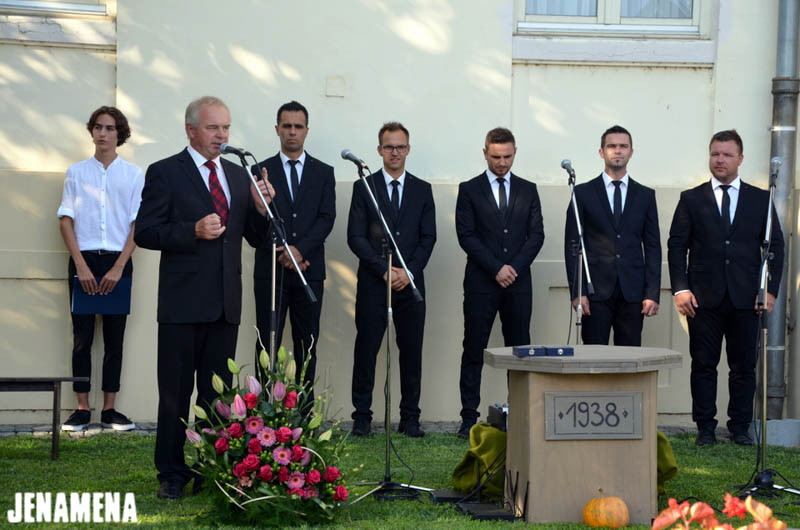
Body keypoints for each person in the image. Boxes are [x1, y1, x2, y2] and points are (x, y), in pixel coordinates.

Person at [134, 96, 274, 499]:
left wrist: (262, 209)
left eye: (226, 127)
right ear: (191, 129)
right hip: (181, 305)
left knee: (217, 397)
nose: (222, 135)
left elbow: (254, 238)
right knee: (175, 395)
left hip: (225, 303)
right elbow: (145, 232)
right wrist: (191, 230)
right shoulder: (165, 172)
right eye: (213, 128)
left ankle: (213, 467)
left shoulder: (237, 175)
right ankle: (172, 473)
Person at [667, 129, 784, 446]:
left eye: (727, 155)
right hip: (702, 298)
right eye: (715, 154)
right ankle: (705, 428)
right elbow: (676, 246)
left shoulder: (760, 199)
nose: (720, 160)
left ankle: (740, 428)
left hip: (747, 297)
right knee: (703, 364)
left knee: (744, 366)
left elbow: (775, 246)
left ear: (740, 159)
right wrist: (680, 289)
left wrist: (769, 290)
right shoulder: (691, 199)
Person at [347, 122, 436, 438]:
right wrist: (383, 270)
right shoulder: (364, 187)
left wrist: (407, 272)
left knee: (411, 351)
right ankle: (362, 416)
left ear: (408, 149)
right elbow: (356, 237)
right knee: (366, 349)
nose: (394, 152)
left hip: (410, 285)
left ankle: (410, 417)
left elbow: (428, 237)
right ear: (379, 150)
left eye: (400, 147)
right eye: (389, 147)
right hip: (375, 283)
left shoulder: (422, 190)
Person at [57, 106, 143, 432]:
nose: (103, 133)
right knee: (82, 338)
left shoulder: (133, 174)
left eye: (109, 128)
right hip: (84, 259)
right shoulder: (76, 172)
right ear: (91, 131)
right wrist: (80, 263)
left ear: (120, 134)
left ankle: (109, 409)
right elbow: (66, 220)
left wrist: (119, 266)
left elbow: (137, 224)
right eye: (98, 127)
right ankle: (82, 409)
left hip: (118, 260)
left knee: (114, 339)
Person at [455, 127, 544, 439]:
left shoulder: (528, 190)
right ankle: (468, 416)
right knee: (473, 347)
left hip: (518, 284)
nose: (502, 162)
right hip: (481, 283)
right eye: (496, 157)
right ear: (485, 154)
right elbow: (466, 235)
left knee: (520, 350)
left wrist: (513, 268)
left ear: (515, 153)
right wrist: (496, 268)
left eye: (507, 156)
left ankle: (519, 414)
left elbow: (536, 235)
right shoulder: (469, 189)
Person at [251, 101, 335, 406]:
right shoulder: (260, 170)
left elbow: (326, 217)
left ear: (306, 131)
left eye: (298, 126)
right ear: (277, 129)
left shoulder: (323, 172)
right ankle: (262, 412)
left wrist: (300, 250)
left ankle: (304, 411)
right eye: (286, 126)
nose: (292, 132)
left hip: (309, 271)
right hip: (271, 271)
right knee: (266, 343)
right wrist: (284, 250)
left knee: (306, 345)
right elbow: (254, 221)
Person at [564, 125, 661, 345]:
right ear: (601, 152)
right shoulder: (582, 193)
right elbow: (572, 246)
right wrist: (578, 292)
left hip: (633, 292)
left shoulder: (645, 196)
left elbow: (653, 247)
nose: (618, 151)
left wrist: (652, 293)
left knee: (629, 357)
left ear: (631, 152)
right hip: (595, 292)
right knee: (594, 357)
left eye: (623, 146)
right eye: (612, 146)